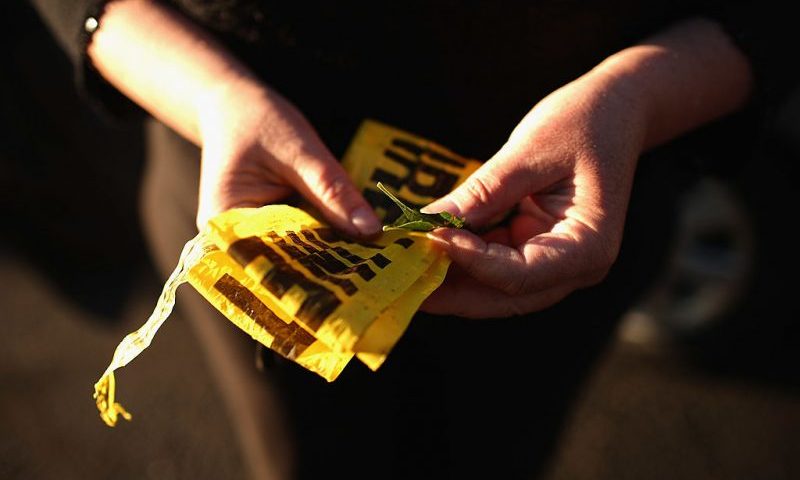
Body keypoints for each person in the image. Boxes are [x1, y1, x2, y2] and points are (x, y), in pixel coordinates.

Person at [26, 0, 794, 478]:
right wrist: (210, 93)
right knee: (308, 460)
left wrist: (640, 92)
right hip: (246, 181)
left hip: (566, 208)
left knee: (498, 455)